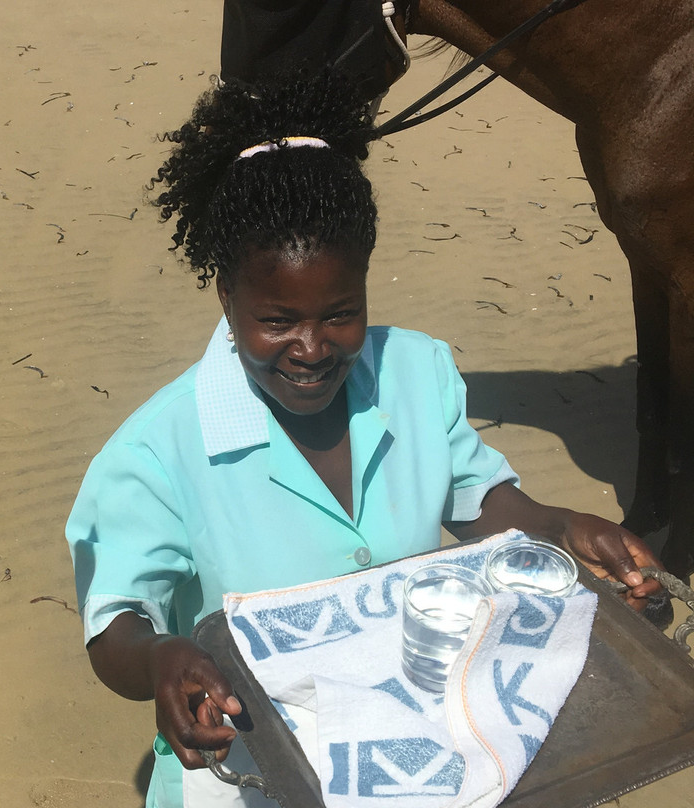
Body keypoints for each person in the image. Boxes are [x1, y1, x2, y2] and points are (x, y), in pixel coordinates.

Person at [64, 65, 662, 808]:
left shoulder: (417, 370)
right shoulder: (157, 449)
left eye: (340, 313)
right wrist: (160, 656)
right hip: (255, 773)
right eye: (276, 322)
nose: (312, 348)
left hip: (420, 745)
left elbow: (477, 501)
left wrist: (562, 527)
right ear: (227, 296)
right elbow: (114, 622)